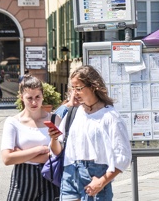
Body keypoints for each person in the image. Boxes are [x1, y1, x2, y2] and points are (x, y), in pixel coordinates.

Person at [48, 65, 132, 200]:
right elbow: (57, 151)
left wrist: (102, 181)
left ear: (93, 87)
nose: (75, 93)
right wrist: (53, 139)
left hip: (96, 175)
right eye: (73, 89)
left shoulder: (110, 116)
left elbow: (123, 156)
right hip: (70, 174)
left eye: (79, 88)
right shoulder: (73, 113)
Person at [1, 75, 61, 200]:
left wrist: (21, 155)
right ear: (21, 97)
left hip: (50, 177)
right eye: (29, 98)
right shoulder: (13, 122)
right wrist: (39, 150)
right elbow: (7, 158)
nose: (34, 102)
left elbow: (58, 154)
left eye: (37, 97)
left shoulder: (55, 119)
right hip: (23, 177)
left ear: (43, 96)